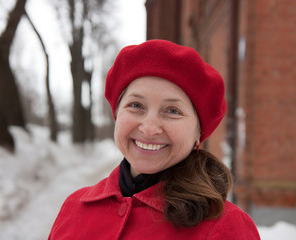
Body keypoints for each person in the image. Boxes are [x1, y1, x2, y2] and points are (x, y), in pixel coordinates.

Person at [48, 39, 260, 240]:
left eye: (172, 110)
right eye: (136, 105)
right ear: (117, 114)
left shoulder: (225, 226)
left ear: (198, 134)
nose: (149, 129)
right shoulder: (74, 208)